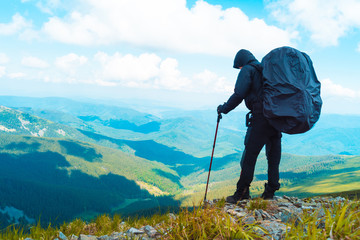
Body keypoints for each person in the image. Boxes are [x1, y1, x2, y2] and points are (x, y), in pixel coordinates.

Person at [217, 49, 282, 203]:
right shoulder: (266, 71)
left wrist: (224, 108)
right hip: (277, 118)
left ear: (241, 62)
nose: (239, 70)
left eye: (238, 67)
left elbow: (239, 94)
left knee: (249, 157)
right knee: (273, 157)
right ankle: (270, 191)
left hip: (260, 119)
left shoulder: (248, 70)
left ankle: (241, 193)